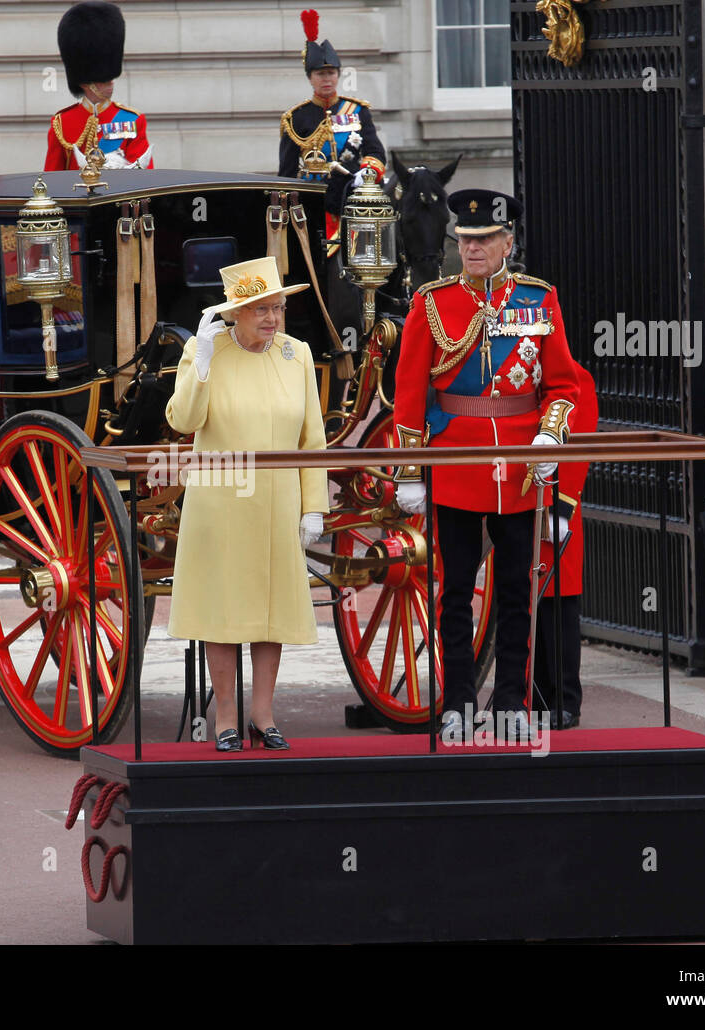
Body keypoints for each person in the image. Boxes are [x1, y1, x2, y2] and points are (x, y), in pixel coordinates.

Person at [392, 189, 580, 738]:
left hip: (522, 459)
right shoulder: (432, 302)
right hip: (456, 457)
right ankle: (456, 700)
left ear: (507, 242)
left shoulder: (538, 301)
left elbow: (562, 382)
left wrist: (549, 435)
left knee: (519, 587)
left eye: (484, 240)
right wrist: (409, 469)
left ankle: (511, 702)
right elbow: (409, 392)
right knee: (453, 589)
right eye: (467, 240)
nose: (472, 249)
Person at [166, 257, 328, 751]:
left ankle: (264, 713)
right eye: (260, 310)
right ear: (235, 312)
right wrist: (202, 366)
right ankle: (226, 719)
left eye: (277, 308)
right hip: (222, 501)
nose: (272, 319)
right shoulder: (203, 348)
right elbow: (182, 419)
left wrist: (313, 504)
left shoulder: (295, 354)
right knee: (224, 608)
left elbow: (311, 437)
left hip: (278, 499)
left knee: (271, 606)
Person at [278, 9, 385, 255]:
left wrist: (366, 174)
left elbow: (376, 152)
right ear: (310, 78)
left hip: (352, 199)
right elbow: (286, 172)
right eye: (320, 74)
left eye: (331, 73)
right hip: (312, 206)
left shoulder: (357, 111)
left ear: (338, 75)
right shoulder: (296, 118)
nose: (327, 79)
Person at [533, 361, 599, 730]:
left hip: (554, 508)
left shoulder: (574, 377)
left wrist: (563, 506)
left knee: (558, 606)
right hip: (520, 504)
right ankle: (536, 696)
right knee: (525, 605)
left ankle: (565, 699)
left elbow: (578, 447)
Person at [45, 2, 153, 172]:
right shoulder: (61, 123)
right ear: (85, 82)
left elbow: (145, 179)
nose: (111, 82)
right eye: (103, 79)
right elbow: (53, 178)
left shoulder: (132, 120)